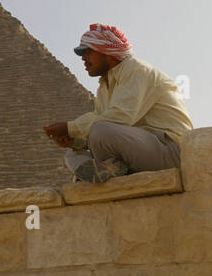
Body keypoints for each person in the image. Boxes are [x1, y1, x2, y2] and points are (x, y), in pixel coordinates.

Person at [43, 23, 192, 182]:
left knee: (101, 130)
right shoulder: (105, 86)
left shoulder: (136, 70)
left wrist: (69, 127)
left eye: (88, 52)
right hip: (140, 147)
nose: (83, 59)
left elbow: (119, 117)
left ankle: (109, 169)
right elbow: (104, 126)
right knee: (73, 152)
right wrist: (75, 140)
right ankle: (109, 169)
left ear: (107, 52)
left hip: (170, 150)